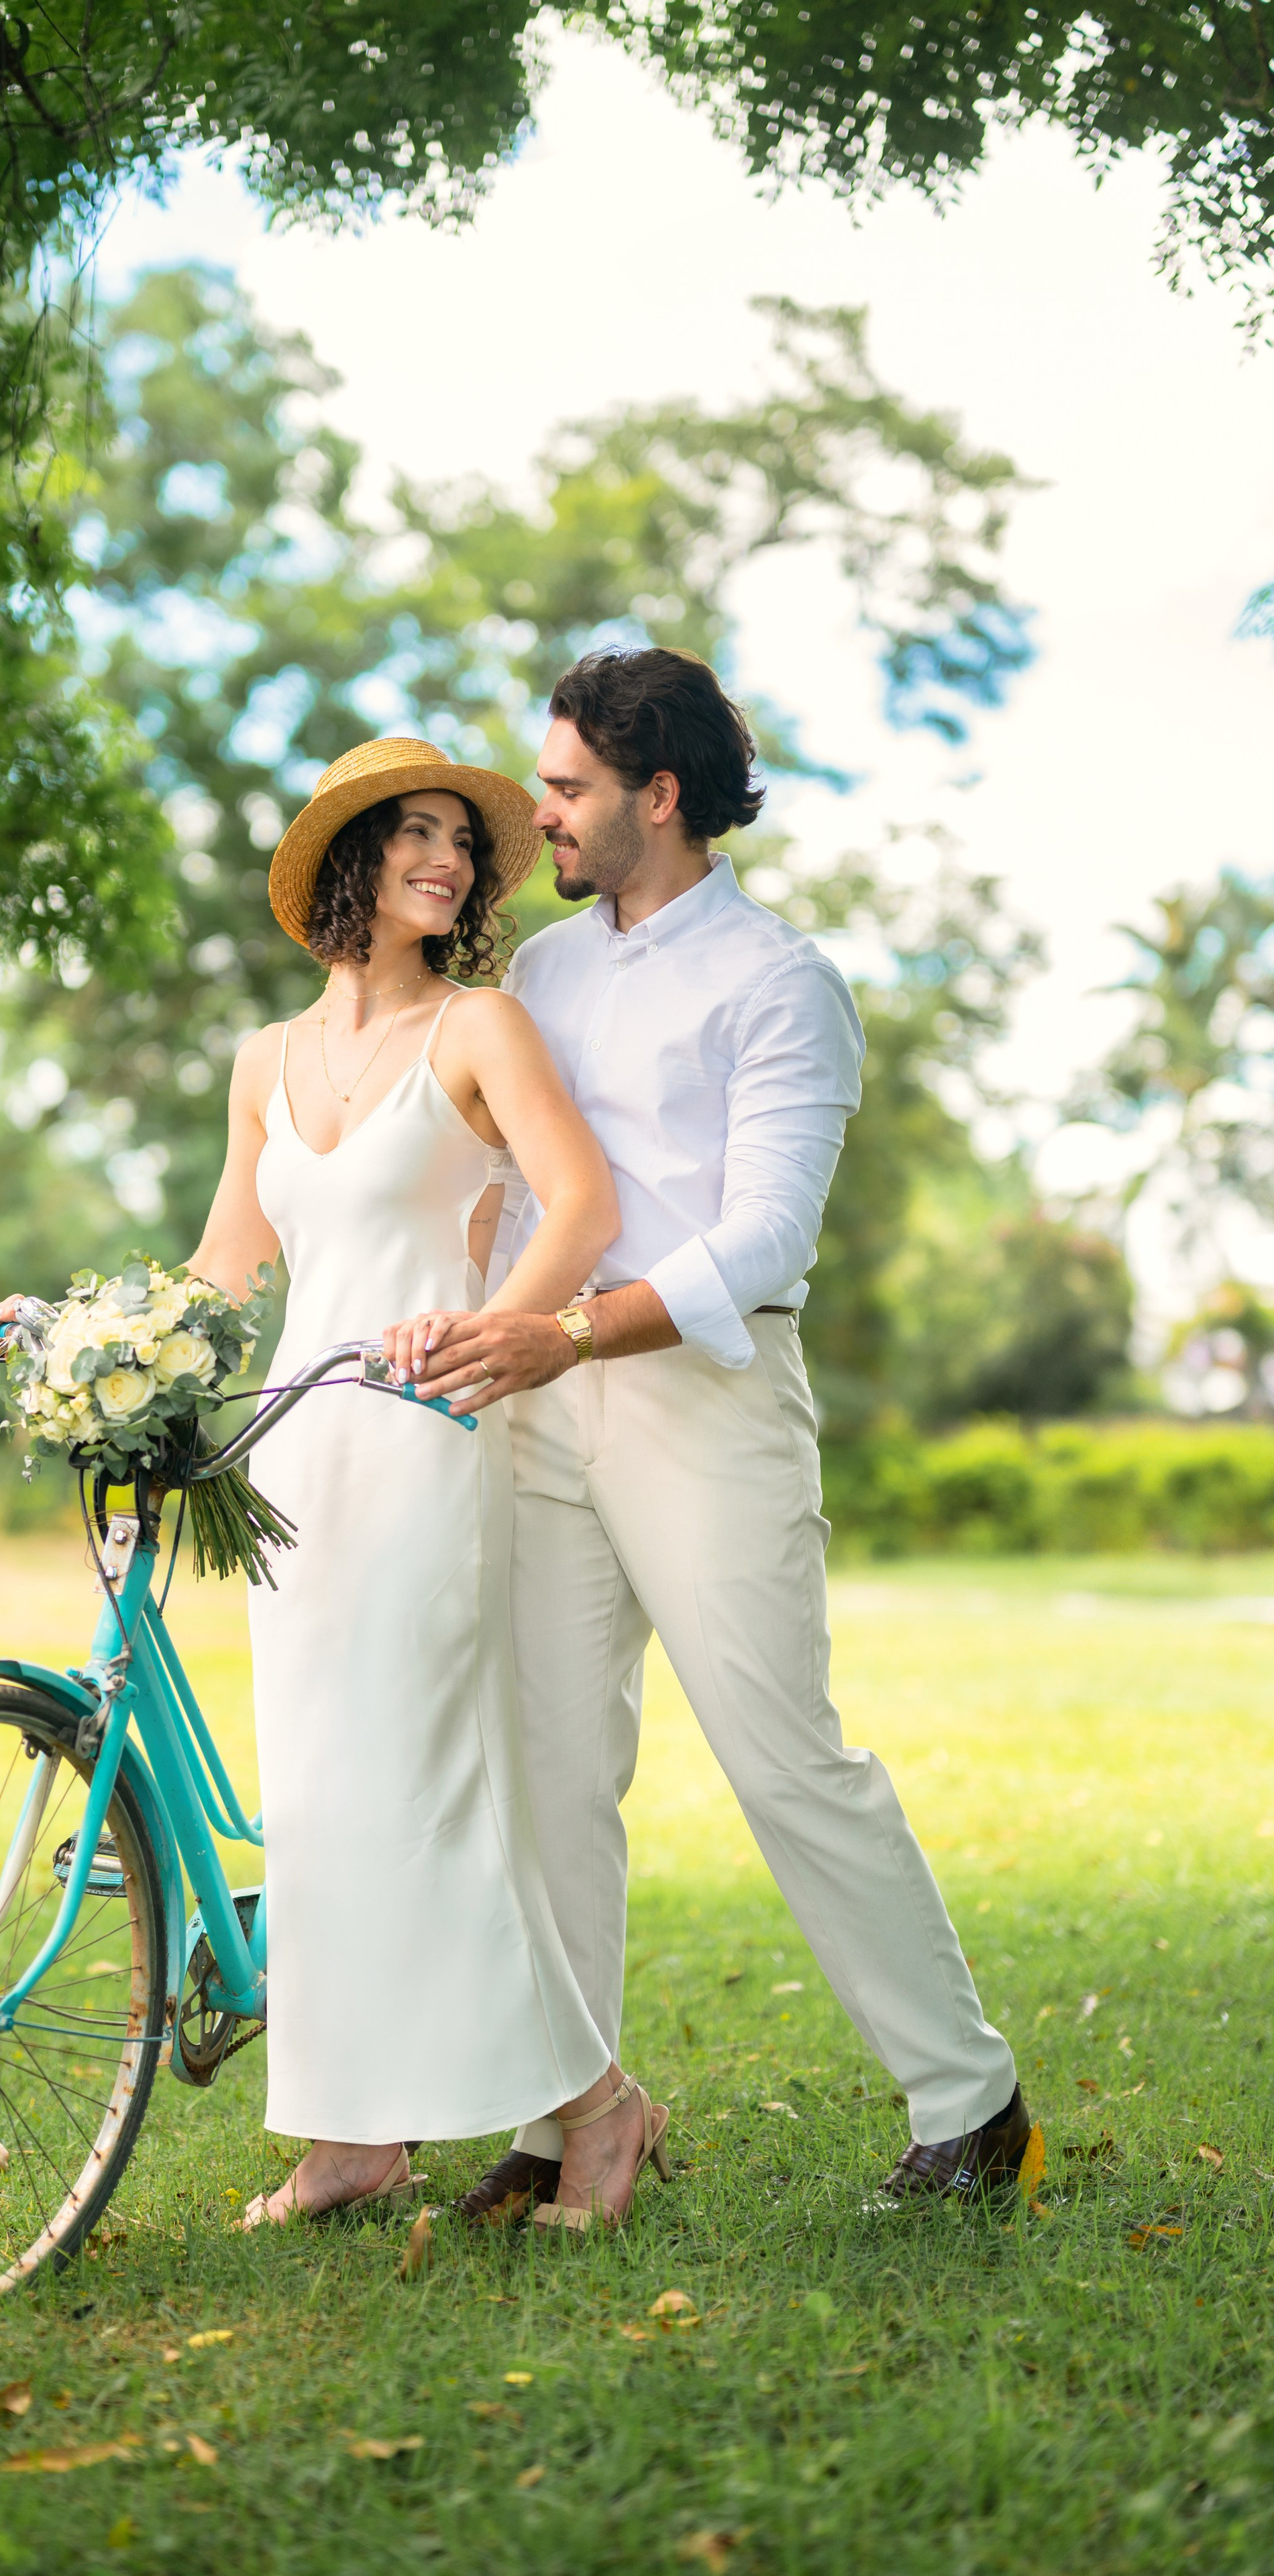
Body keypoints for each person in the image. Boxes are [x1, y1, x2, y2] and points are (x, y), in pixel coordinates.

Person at [0, 735, 672, 2231]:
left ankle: (598, 2112)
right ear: (346, 862)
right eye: (415, 834)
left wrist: (500, 1330)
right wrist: (64, 1327)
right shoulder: (262, 1064)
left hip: (429, 1439)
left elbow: (583, 1203)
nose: (452, 859)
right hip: (291, 1452)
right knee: (324, 1798)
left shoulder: (478, 1027)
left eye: (463, 842)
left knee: (424, 1786)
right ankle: (353, 2137)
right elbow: (226, 1274)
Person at [384, 649, 1030, 2222]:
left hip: (706, 1401)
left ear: (656, 796)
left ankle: (969, 2103)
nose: (532, 814)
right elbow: (519, 1194)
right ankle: (567, 2114)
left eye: (564, 790)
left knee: (783, 1758)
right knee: (542, 1766)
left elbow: (758, 1242)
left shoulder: (779, 982)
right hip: (541, 1407)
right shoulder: (537, 973)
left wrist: (570, 1330)